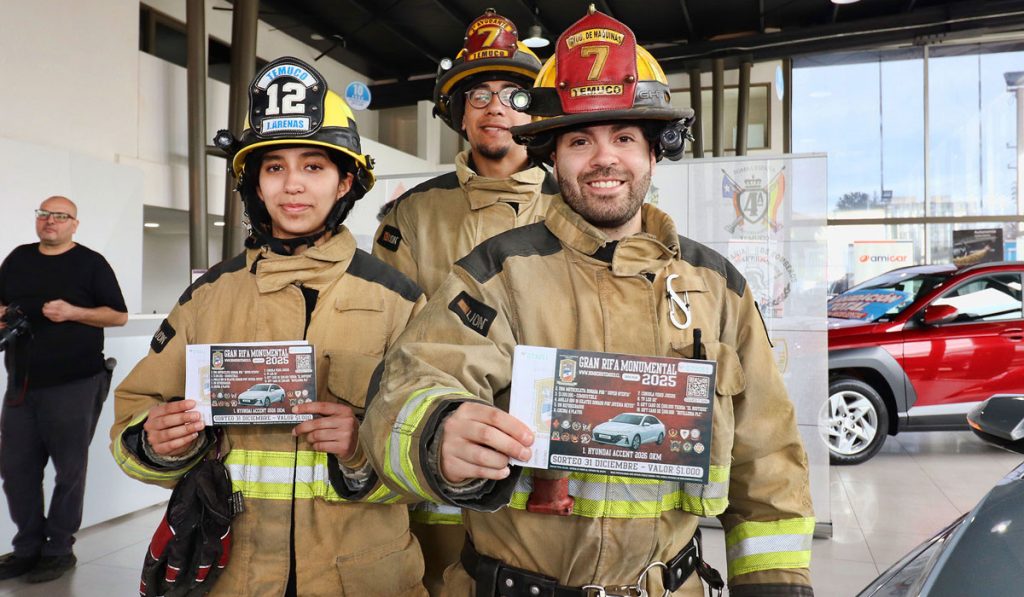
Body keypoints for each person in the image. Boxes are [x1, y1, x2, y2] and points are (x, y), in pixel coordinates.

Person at [362, 7, 815, 597]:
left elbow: (770, 458)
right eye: (580, 140)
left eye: (624, 137)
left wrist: (777, 584)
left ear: (655, 152)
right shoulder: (494, 276)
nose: (604, 159)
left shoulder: (717, 287)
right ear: (554, 155)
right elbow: (402, 389)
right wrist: (434, 431)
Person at [110, 57, 427, 596]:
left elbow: (434, 455)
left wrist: (362, 448)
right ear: (255, 184)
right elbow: (131, 421)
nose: (292, 186)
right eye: (274, 168)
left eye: (314, 166)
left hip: (362, 577)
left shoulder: (399, 301)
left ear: (346, 180)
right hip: (235, 575)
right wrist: (157, 442)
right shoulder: (207, 298)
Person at [370, 9, 556, 594]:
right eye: (478, 94)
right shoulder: (413, 215)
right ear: (457, 112)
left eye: (514, 94)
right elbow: (385, 336)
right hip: (438, 475)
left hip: (551, 466)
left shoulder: (572, 208)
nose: (495, 107)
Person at [0, 196, 128, 583]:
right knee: (16, 470)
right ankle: (27, 548)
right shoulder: (18, 258)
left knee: (68, 470)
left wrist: (74, 313)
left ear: (75, 224)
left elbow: (117, 315)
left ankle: (58, 549)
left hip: (75, 382)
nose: (50, 221)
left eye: (59, 216)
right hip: (21, 382)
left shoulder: (90, 263)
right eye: (44, 215)